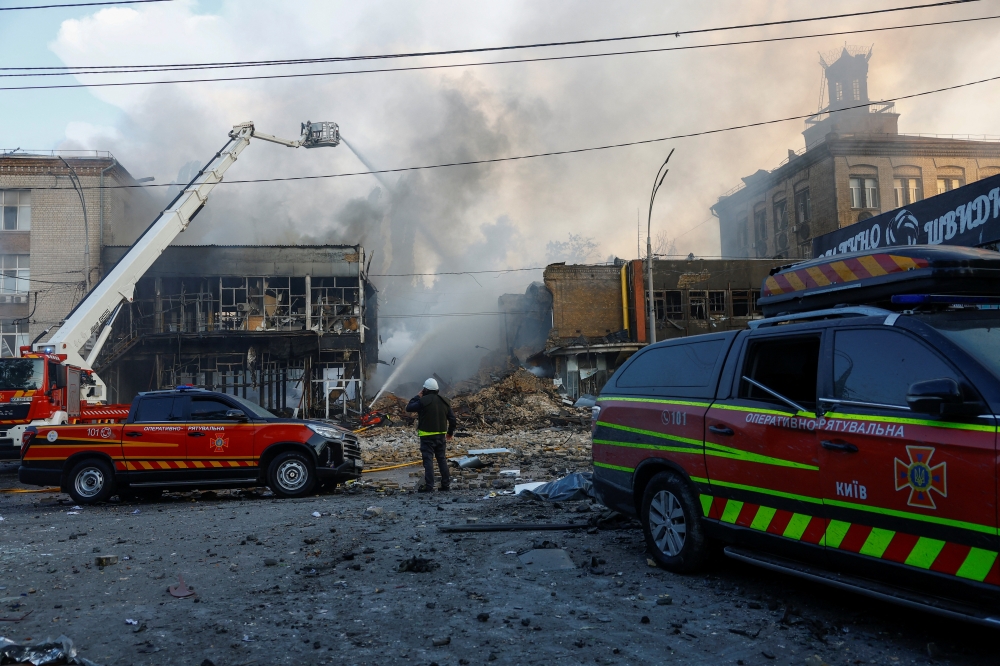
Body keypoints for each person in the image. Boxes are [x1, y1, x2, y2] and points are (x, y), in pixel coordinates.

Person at [406, 378, 456, 492]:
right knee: (442, 459)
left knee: (428, 461)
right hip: (441, 436)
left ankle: (429, 486)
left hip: (427, 437)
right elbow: (453, 419)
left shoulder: (423, 401)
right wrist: (450, 433)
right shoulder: (445, 401)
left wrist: (418, 396)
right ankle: (445, 485)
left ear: (425, 389)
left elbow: (409, 407)